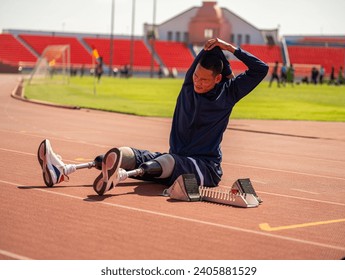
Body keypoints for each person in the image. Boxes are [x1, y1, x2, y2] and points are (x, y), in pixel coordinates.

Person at [37, 38, 269, 196]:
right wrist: (219, 50)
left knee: (168, 162)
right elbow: (210, 50)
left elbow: (261, 69)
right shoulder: (189, 84)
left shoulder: (230, 92)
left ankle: (120, 177)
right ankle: (65, 169)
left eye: (204, 79)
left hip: (205, 168)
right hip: (172, 159)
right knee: (128, 153)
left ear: (218, 79)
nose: (197, 82)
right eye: (196, 76)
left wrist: (231, 49)